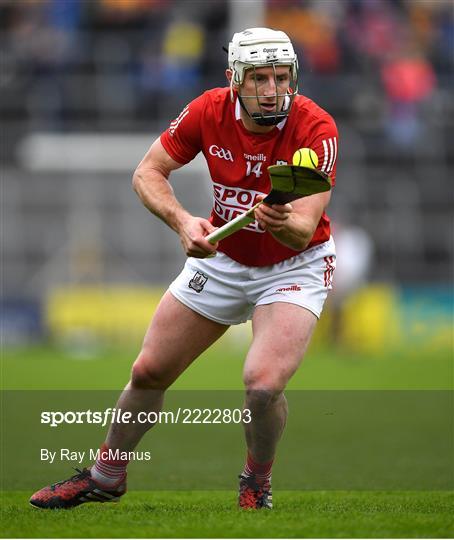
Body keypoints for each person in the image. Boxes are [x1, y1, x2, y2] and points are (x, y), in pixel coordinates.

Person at [30, 27, 338, 510]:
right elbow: (147, 173)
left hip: (293, 265)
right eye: (260, 78)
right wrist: (181, 222)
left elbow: (303, 229)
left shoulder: (316, 129)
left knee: (262, 384)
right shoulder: (207, 111)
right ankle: (106, 476)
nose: (273, 89)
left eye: (281, 77)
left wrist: (281, 220)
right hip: (224, 257)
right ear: (235, 79)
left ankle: (256, 481)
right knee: (149, 369)